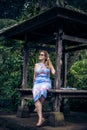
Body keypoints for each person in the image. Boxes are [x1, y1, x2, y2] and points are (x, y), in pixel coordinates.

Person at [32, 50, 55, 126]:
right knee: (35, 92)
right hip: (37, 82)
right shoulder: (36, 65)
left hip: (46, 82)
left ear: (45, 57)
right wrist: (34, 85)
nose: (40, 56)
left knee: (42, 90)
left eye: (42, 55)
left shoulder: (48, 65)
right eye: (39, 54)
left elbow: (54, 72)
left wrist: (50, 61)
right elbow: (34, 76)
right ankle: (41, 118)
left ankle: (38, 106)